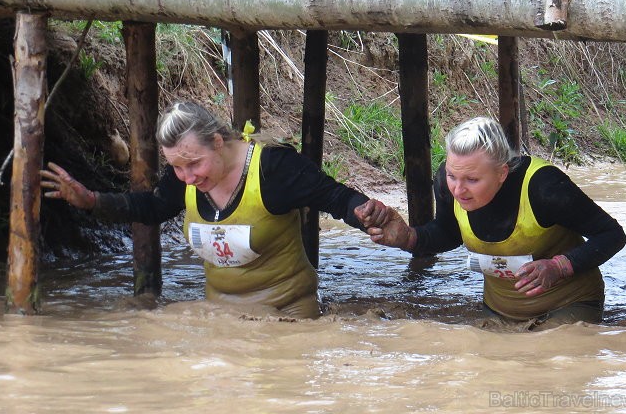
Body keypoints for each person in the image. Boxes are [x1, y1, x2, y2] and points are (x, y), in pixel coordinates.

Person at [40, 100, 389, 319]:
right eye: (176, 167)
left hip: (287, 315)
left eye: (193, 164)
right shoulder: (185, 178)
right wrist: (91, 200)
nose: (187, 177)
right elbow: (154, 206)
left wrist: (365, 214)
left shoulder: (273, 168)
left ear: (219, 143)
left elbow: (335, 197)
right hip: (219, 315)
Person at [357, 116, 626, 328]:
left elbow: (612, 235)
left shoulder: (544, 188)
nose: (459, 190)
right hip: (498, 309)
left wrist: (560, 266)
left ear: (502, 173)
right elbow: (448, 233)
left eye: (472, 180)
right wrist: (407, 237)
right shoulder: (448, 182)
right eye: (452, 176)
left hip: (569, 304)